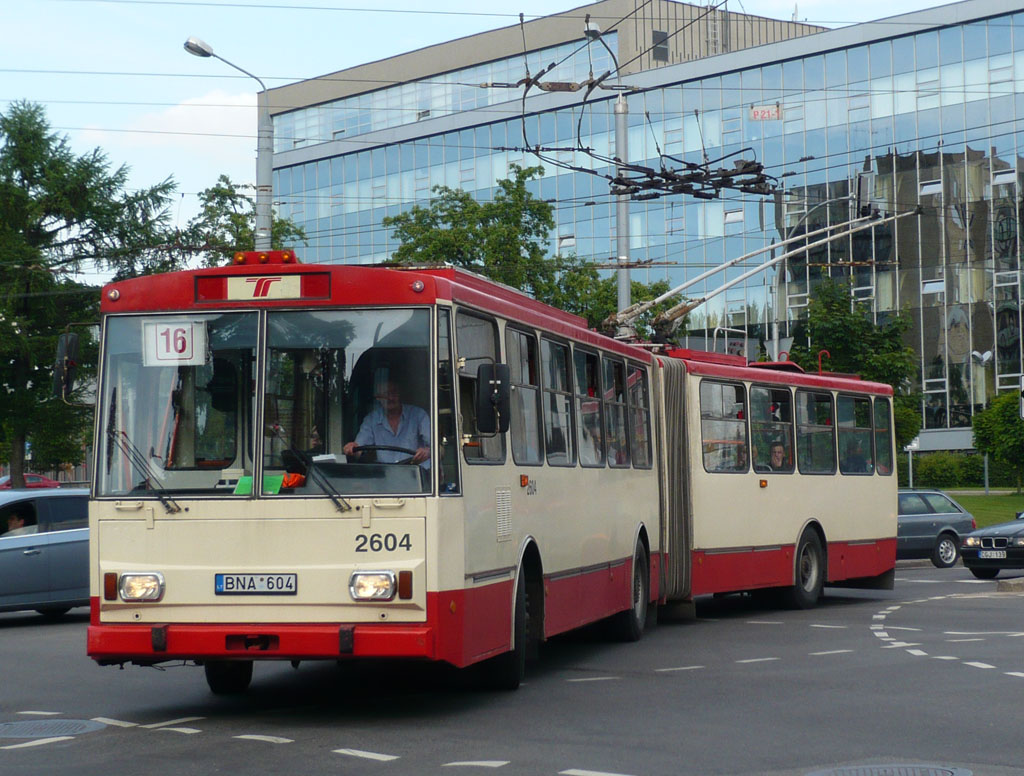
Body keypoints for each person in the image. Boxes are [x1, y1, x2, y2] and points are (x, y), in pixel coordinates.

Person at [343, 380, 430, 467]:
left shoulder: (418, 415)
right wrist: (351, 448)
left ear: (400, 395)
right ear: (377, 397)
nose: (390, 398)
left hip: (416, 475)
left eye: (394, 393)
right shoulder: (371, 420)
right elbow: (359, 449)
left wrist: (427, 452)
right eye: (385, 394)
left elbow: (439, 450)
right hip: (386, 476)